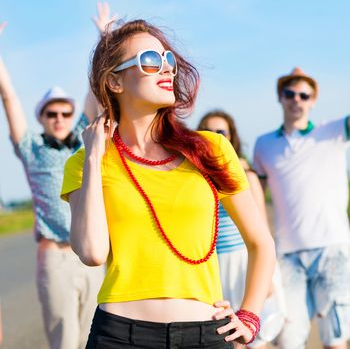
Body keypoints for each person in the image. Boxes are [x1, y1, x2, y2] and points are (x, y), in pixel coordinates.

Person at [61, 19, 276, 348]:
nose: (167, 69)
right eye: (150, 60)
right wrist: (92, 157)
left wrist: (250, 314)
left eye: (169, 60)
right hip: (119, 336)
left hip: (206, 334)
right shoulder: (86, 163)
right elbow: (91, 252)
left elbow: (261, 243)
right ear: (115, 81)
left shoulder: (211, 149)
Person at [0, 6, 115, 348]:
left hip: (92, 254)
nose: (61, 117)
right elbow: (9, 97)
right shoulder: (31, 148)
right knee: (64, 340)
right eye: (52, 113)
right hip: (56, 256)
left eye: (66, 111)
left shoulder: (85, 135)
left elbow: (96, 90)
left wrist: (105, 39)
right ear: (43, 117)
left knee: (93, 338)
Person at [252, 67, 350, 349]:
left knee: (335, 338)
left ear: (313, 101)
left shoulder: (332, 131)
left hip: (332, 248)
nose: (297, 100)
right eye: (290, 93)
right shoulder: (263, 144)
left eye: (304, 95)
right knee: (289, 340)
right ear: (280, 97)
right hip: (287, 255)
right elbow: (255, 194)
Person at [198, 110, 286, 349]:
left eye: (221, 132)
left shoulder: (246, 176)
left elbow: (262, 231)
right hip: (214, 265)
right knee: (226, 336)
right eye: (208, 131)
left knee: (254, 336)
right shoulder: (196, 179)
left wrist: (267, 278)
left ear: (231, 137)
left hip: (243, 260)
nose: (214, 136)